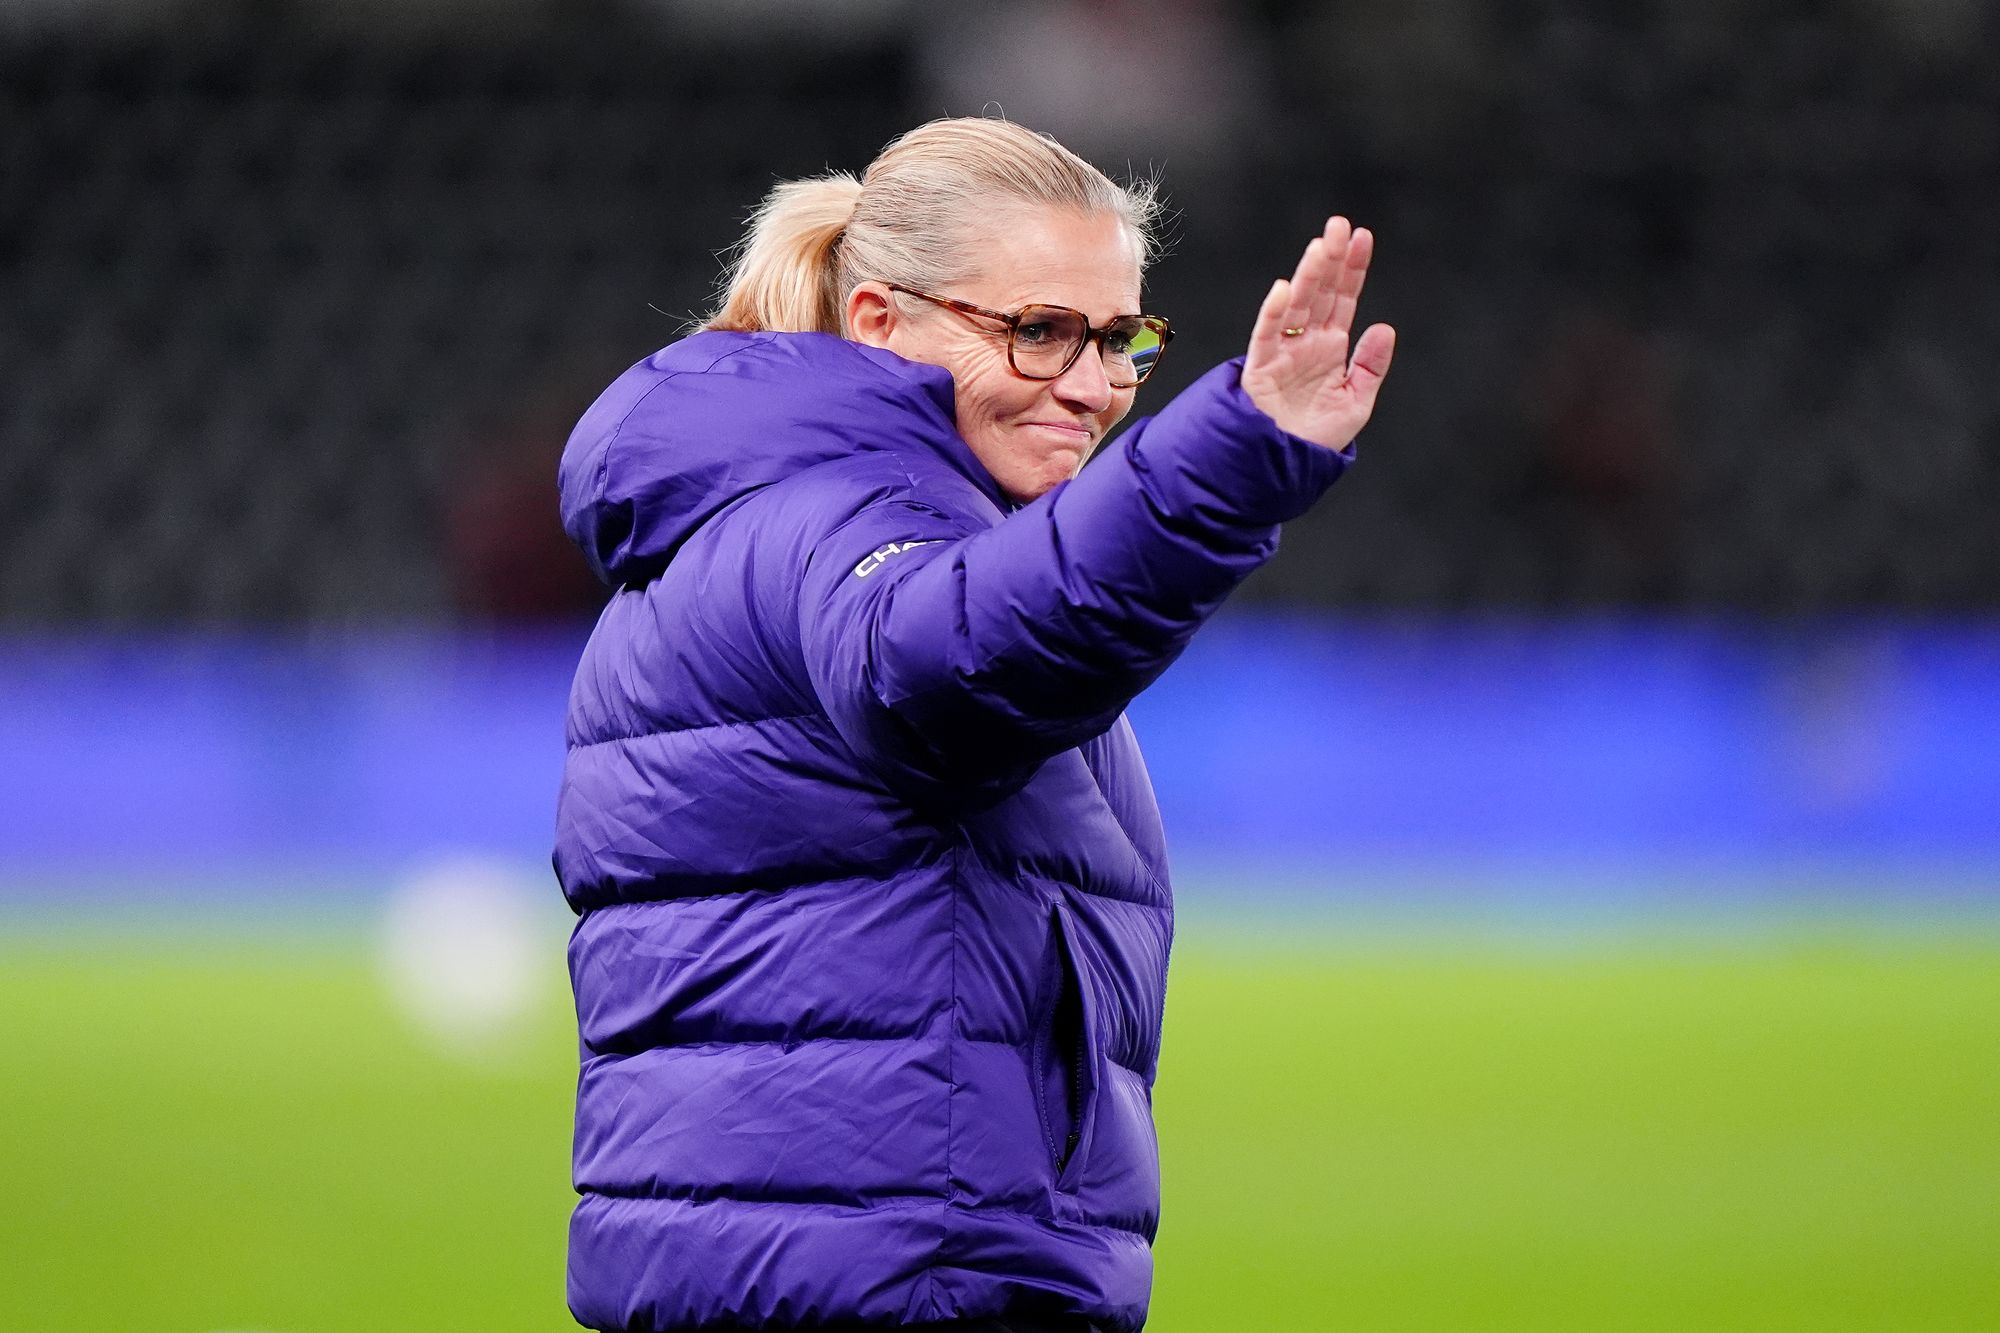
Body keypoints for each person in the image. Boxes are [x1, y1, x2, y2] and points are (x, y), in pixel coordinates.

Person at [553, 116, 1393, 1332]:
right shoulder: (847, 511)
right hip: (888, 1268)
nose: (1092, 384)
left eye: (1119, 339)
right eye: (1038, 331)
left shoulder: (818, 504)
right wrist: (1232, 459)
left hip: (830, 1252)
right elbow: (941, 664)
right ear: (880, 324)